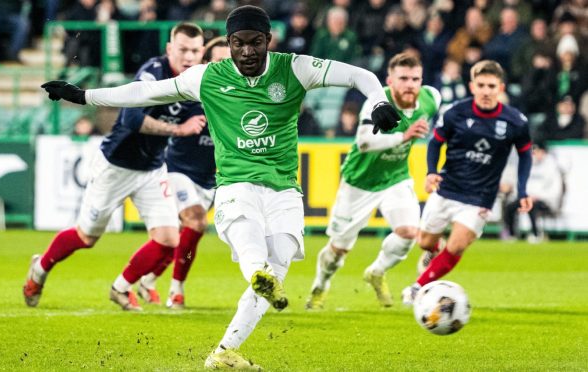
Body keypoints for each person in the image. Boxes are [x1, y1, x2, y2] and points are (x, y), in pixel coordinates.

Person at [40, 6, 400, 369]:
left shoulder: (295, 67)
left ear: (268, 41)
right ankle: (257, 274)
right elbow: (145, 92)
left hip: (284, 187)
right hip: (235, 183)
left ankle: (224, 350)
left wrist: (379, 101)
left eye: (255, 43)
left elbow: (361, 75)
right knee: (251, 247)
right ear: (228, 43)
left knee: (283, 258)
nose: (247, 51)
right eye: (239, 43)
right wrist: (83, 96)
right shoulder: (206, 77)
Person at [23, 23, 207, 311]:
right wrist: (179, 130)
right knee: (86, 237)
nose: (189, 56)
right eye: (182, 49)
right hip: (116, 165)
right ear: (169, 49)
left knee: (169, 239)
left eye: (195, 51)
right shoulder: (153, 72)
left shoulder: (198, 82)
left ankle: (121, 287)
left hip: (152, 169)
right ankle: (40, 268)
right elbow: (133, 121)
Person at [306, 53, 440, 310]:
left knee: (408, 233)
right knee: (338, 250)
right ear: (390, 80)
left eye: (415, 79)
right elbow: (364, 142)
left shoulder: (431, 98)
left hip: (395, 178)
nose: (410, 84)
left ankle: (376, 272)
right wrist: (404, 136)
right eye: (403, 79)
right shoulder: (378, 102)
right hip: (359, 182)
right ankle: (320, 286)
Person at [401, 60, 533, 305]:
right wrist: (431, 172)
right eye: (481, 85)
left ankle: (419, 287)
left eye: (491, 86)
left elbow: (525, 154)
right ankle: (432, 252)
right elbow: (435, 142)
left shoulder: (516, 121)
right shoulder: (455, 113)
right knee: (425, 242)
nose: (486, 91)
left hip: (480, 197)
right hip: (447, 188)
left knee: (458, 245)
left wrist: (523, 189)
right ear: (472, 86)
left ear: (501, 88)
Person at [132, 37, 231, 310]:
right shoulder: (191, 92)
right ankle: (176, 291)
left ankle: (148, 279)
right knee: (196, 222)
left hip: (209, 179)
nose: (226, 66)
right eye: (219, 61)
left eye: (230, 61)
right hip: (177, 170)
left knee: (180, 237)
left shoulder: (240, 98)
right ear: (206, 63)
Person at [503, 142, 563, 243]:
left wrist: (538, 196)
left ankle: (536, 234)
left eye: (537, 151)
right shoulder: (528, 165)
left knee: (532, 206)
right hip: (527, 198)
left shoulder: (552, 167)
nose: (534, 154)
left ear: (543, 152)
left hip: (545, 201)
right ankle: (512, 234)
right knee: (510, 207)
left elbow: (555, 190)